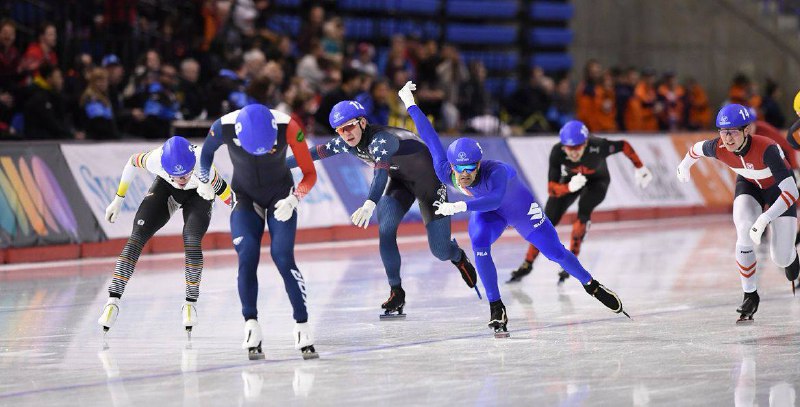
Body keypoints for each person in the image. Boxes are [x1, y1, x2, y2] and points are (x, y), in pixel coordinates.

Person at [398, 81, 629, 336]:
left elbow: (495, 199)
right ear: (451, 166)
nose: (464, 175)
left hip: (520, 211)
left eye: (470, 169)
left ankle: (592, 285)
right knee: (479, 243)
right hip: (489, 213)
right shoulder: (445, 171)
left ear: (479, 164)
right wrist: (410, 103)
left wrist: (459, 205)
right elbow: (430, 137)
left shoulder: (497, 171)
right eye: (459, 169)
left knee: (555, 253)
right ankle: (496, 307)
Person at [288, 99, 479, 319]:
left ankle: (458, 256)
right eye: (340, 130)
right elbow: (312, 154)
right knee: (385, 230)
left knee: (440, 251)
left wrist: (369, 203)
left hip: (429, 183)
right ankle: (396, 291)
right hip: (401, 181)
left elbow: (379, 174)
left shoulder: (382, 140)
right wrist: (275, 166)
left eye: (349, 126)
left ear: (362, 122)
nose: (345, 134)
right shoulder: (345, 141)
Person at [199, 104, 319, 360]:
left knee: (283, 257)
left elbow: (309, 173)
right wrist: (204, 180)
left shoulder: (290, 127)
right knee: (248, 253)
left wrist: (295, 199)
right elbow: (205, 156)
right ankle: (250, 323)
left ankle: (302, 324)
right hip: (244, 196)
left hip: (280, 196)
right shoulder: (222, 127)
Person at [97, 136, 235, 338]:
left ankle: (190, 303)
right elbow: (132, 162)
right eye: (177, 176)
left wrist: (244, 213)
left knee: (192, 239)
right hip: (165, 188)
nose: (182, 181)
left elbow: (230, 198)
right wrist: (118, 199)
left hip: (200, 193)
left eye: (186, 175)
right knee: (137, 236)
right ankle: (112, 301)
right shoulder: (154, 159)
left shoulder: (203, 163)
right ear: (165, 168)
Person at [677, 104, 799, 323]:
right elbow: (695, 149)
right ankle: (750, 294)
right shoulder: (718, 147)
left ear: (746, 131)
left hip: (778, 192)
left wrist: (765, 218)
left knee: (780, 258)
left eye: (733, 132)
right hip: (749, 186)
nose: (728, 139)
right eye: (723, 132)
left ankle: (791, 256)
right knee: (743, 231)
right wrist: (684, 167)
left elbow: (791, 192)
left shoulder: (767, 149)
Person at [507, 120, 653, 284]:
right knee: (546, 220)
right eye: (570, 149)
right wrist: (569, 187)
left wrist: (640, 167)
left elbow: (624, 145)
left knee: (584, 210)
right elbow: (551, 188)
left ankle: (570, 262)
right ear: (563, 146)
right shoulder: (557, 152)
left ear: (586, 143)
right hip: (571, 181)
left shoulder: (598, 146)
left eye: (578, 148)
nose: (574, 153)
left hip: (598, 182)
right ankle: (527, 263)